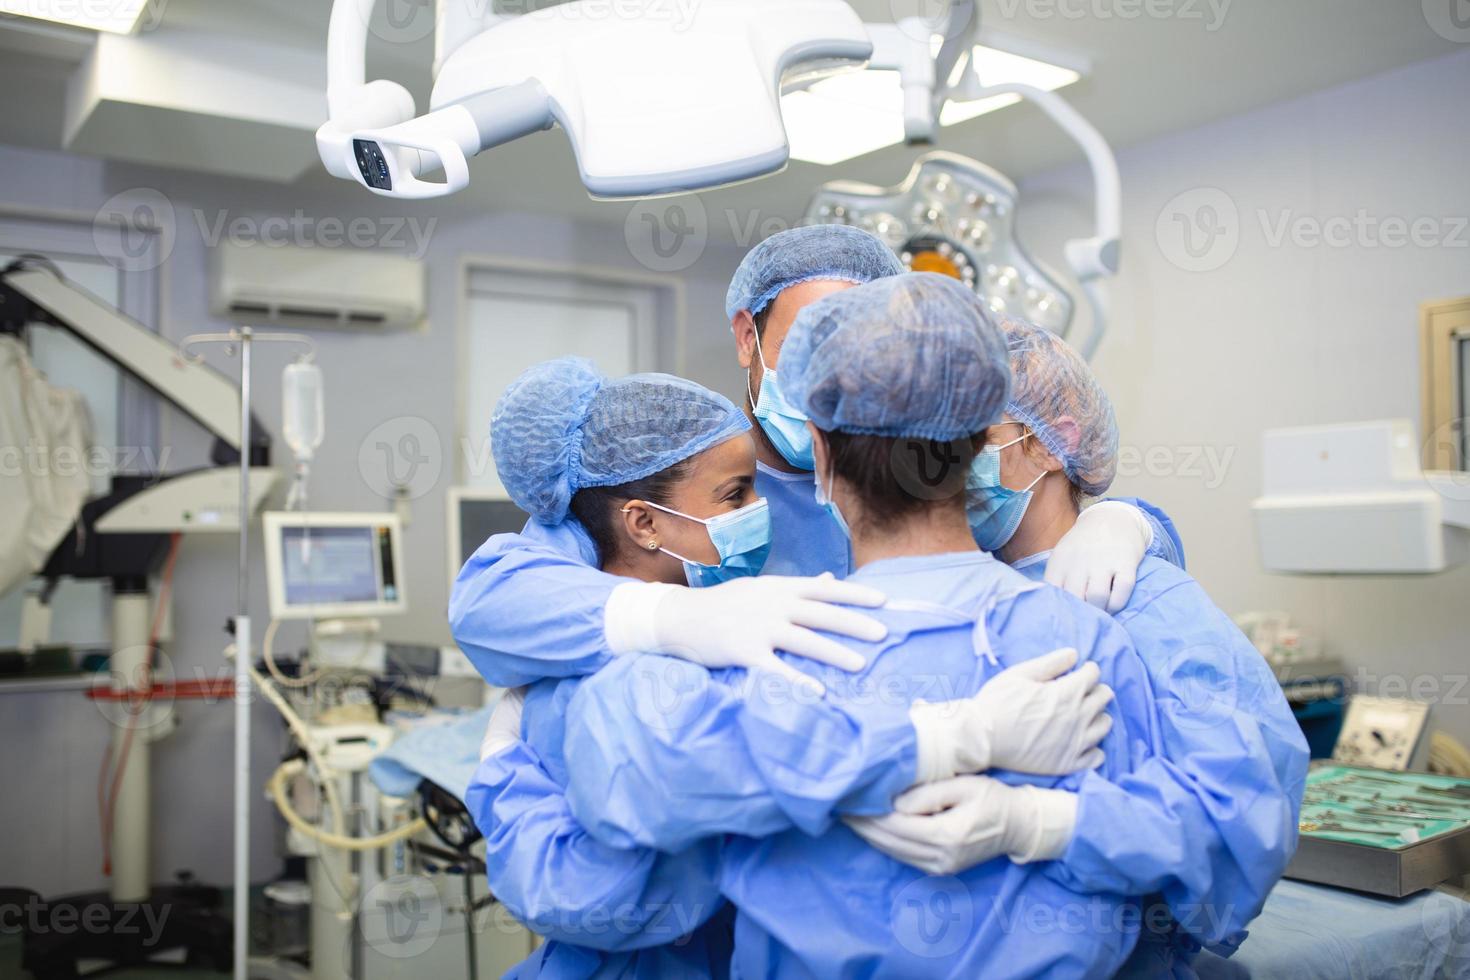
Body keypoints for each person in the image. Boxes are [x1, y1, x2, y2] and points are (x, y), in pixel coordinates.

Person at [556, 273, 1170, 977]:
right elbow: (1200, 850)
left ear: (818, 458)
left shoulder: (762, 652)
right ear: (978, 447)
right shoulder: (1089, 637)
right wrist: (1035, 819)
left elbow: (618, 792)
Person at [450, 225, 1179, 696]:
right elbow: (493, 607)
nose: (838, 374)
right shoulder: (672, 477)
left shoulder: (927, 475)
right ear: (747, 337)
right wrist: (674, 618)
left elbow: (1064, 571)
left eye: (862, 345)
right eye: (810, 345)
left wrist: (1125, 521)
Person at [846, 317, 1311, 976]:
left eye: (977, 430)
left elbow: (1240, 826)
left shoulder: (1146, 603)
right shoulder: (944, 584)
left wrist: (1049, 824)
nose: (948, 453)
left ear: (1053, 444)